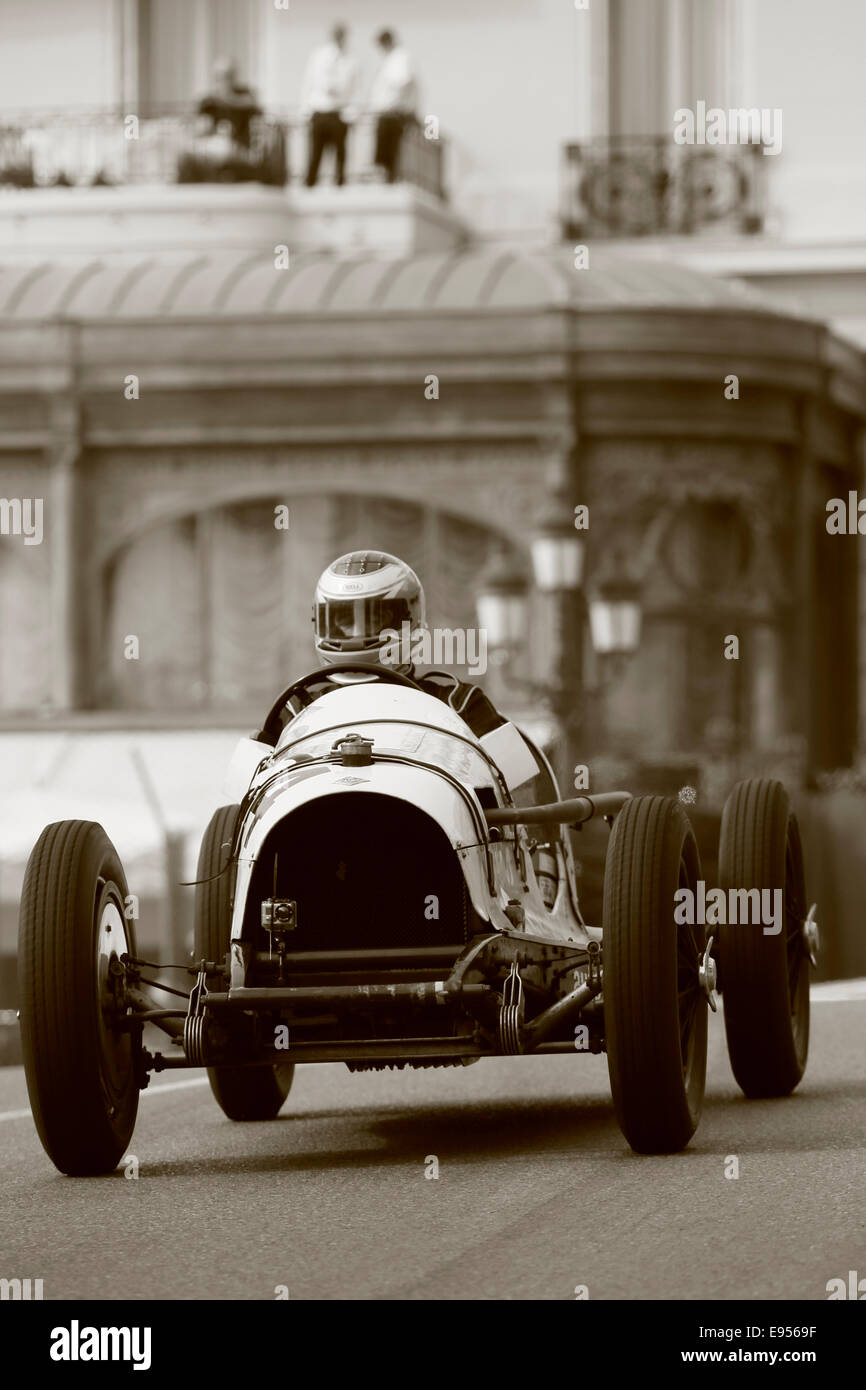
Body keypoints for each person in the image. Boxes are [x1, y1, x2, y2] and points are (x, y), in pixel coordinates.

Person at [260, 551, 506, 743]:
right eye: (345, 620)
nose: (356, 634)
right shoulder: (297, 710)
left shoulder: (459, 704)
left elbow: (519, 789)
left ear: (410, 619)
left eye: (374, 619)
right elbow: (252, 798)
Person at [300, 23, 359, 187]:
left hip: (339, 114)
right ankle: (310, 184)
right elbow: (308, 83)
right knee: (315, 153)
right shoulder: (318, 56)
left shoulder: (351, 60)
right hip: (319, 112)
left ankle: (340, 185)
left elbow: (353, 89)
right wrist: (305, 110)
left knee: (341, 154)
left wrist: (351, 111)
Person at [370, 29, 417, 183]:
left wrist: (392, 102)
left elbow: (402, 82)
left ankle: (389, 178)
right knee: (385, 150)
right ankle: (386, 176)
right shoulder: (393, 58)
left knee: (389, 150)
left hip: (392, 113)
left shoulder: (400, 58)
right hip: (387, 112)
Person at [197, 58, 261, 151]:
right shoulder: (208, 102)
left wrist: (226, 98)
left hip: (240, 148)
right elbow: (201, 128)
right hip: (214, 148)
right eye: (219, 76)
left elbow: (251, 103)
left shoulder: (245, 94)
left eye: (227, 76)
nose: (223, 80)